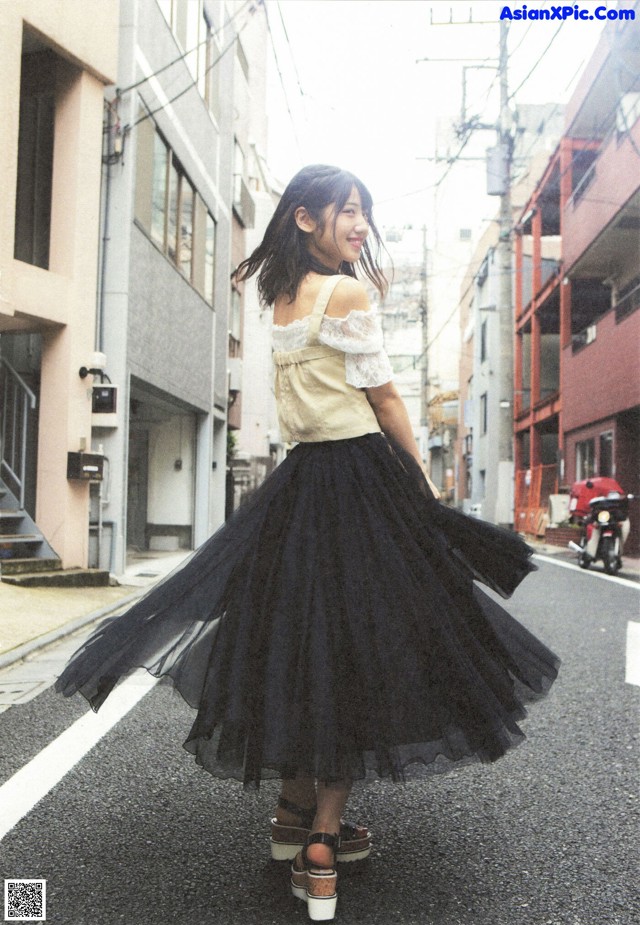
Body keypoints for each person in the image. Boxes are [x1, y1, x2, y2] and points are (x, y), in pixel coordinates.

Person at [56, 164, 559, 922]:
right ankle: (323, 842)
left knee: (294, 640)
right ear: (303, 217)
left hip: (300, 485)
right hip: (360, 480)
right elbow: (384, 398)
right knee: (362, 647)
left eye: (365, 213)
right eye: (347, 211)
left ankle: (293, 818)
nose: (360, 225)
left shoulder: (281, 296)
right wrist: (420, 481)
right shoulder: (347, 294)